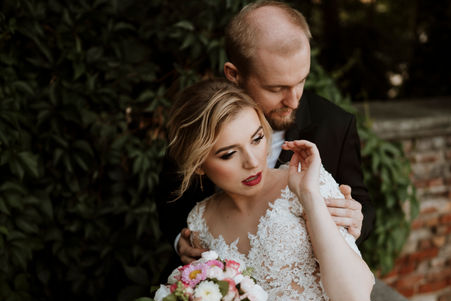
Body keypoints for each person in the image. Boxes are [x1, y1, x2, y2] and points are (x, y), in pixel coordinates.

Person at [160, 79, 447, 301]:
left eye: (257, 138)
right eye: (228, 154)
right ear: (199, 164)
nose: (253, 161)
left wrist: (309, 196)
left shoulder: (306, 182)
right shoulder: (199, 223)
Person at [156, 0, 375, 269]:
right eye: (276, 88)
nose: (294, 100)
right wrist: (179, 240)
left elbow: (363, 204)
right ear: (234, 74)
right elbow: (170, 195)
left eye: (301, 80)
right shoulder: (200, 116)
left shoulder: (335, 124)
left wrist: (357, 219)